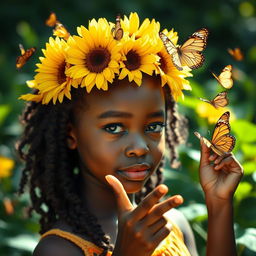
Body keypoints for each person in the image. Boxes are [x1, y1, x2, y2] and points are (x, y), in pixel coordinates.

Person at [16, 13, 243, 256]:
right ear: (71, 135)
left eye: (153, 127)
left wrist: (219, 205)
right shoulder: (59, 249)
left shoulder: (174, 225)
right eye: (114, 128)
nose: (139, 147)